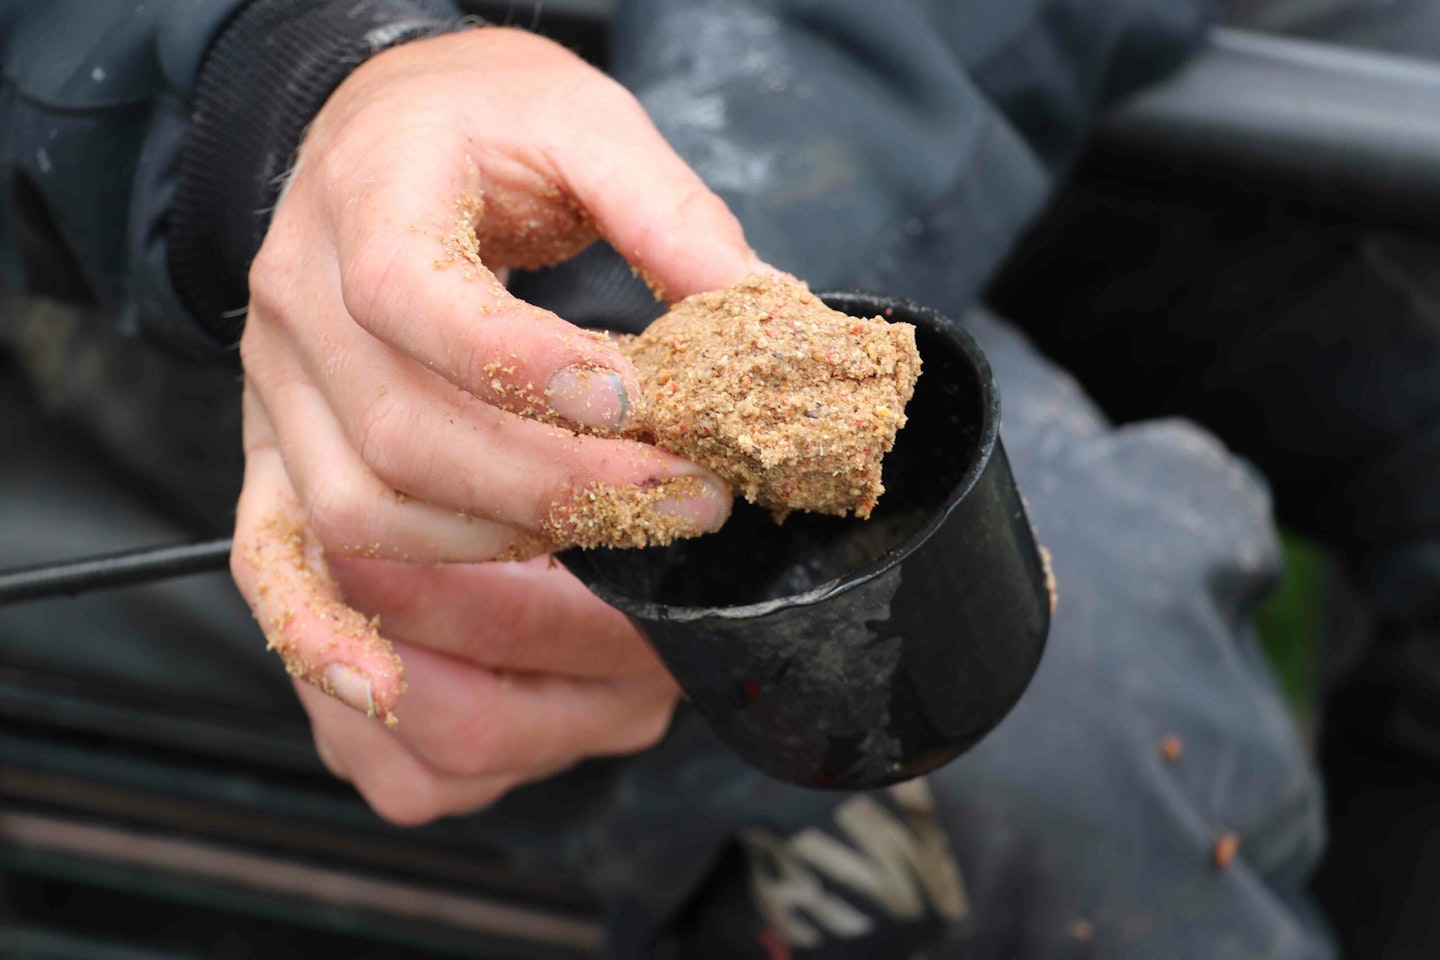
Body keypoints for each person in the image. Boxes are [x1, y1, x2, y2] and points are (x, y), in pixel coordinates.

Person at [0, 0, 1337, 955]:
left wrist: (723, 233)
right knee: (1074, 748)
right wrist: (292, 87)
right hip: (228, 195)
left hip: (968, 52)